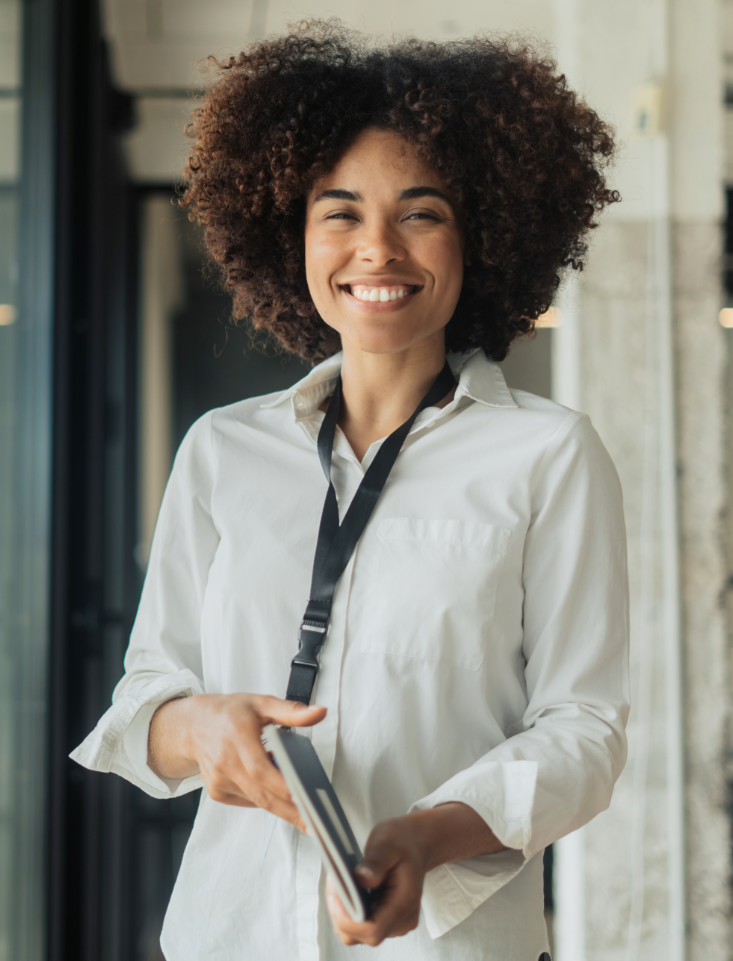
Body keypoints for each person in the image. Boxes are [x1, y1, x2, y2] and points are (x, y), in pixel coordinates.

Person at [72, 20, 629, 961]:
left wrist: (426, 833)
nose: (376, 249)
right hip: (231, 933)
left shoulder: (549, 453)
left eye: (420, 211)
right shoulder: (221, 451)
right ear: (291, 234)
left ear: (479, 235)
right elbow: (144, 708)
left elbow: (582, 730)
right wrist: (199, 726)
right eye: (339, 211)